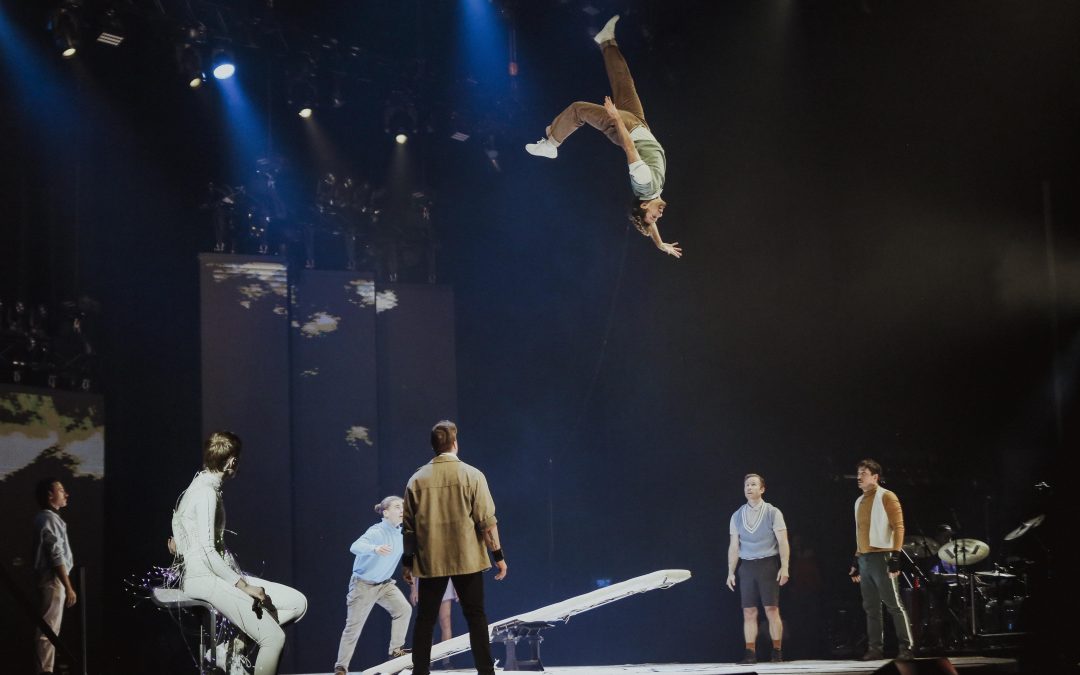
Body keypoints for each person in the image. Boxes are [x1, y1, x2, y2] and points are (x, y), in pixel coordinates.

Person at [525, 15, 682, 259]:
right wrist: (660, 244)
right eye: (656, 218)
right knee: (624, 82)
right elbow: (649, 223)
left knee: (578, 109)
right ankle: (606, 41)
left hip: (626, 128)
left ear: (643, 205)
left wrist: (615, 118)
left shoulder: (644, 184)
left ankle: (551, 144)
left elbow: (630, 148)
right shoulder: (653, 192)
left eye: (653, 215)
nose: (658, 216)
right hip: (639, 123)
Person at [170, 431, 308, 675]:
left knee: (298, 603)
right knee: (273, 639)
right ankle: (230, 652)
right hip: (205, 578)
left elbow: (183, 530)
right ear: (232, 461)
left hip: (215, 573)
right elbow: (207, 552)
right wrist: (244, 586)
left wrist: (179, 547)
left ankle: (231, 650)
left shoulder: (199, 485)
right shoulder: (206, 492)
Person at [402, 420, 508, 675]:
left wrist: (407, 563)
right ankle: (485, 671)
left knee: (425, 619)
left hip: (431, 560)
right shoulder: (473, 475)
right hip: (467, 559)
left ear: (433, 446)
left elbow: (409, 529)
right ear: (455, 444)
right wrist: (498, 557)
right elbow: (487, 523)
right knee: (476, 616)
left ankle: (420, 672)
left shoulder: (416, 479)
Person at [333, 496, 413, 675]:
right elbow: (355, 546)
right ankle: (341, 667)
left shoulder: (402, 533)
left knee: (403, 609)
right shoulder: (377, 531)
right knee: (354, 627)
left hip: (385, 585)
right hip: (363, 585)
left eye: (403, 506)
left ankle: (396, 651)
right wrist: (374, 549)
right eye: (397, 507)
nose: (402, 510)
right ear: (386, 513)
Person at [848, 459, 914, 661]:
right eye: (858, 473)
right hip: (865, 558)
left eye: (864, 473)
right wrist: (856, 559)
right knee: (871, 607)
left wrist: (895, 555)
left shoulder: (887, 496)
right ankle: (875, 648)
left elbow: (898, 527)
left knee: (893, 604)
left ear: (875, 477)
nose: (859, 476)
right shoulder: (859, 501)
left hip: (882, 556)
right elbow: (861, 533)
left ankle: (907, 647)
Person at [726, 473, 790, 664]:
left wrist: (785, 567)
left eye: (753, 484)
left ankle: (777, 651)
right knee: (749, 611)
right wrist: (730, 571)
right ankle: (750, 652)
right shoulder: (737, 515)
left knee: (771, 609)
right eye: (747, 485)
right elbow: (734, 546)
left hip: (768, 564)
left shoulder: (773, 512)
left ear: (762, 489)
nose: (749, 487)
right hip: (747, 566)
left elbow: (783, 541)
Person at [33, 478, 76, 675]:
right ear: (50, 495)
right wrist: (68, 586)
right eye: (61, 490)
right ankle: (45, 670)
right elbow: (55, 553)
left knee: (51, 628)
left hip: (53, 580)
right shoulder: (48, 519)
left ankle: (46, 669)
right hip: (52, 580)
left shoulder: (49, 519)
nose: (66, 494)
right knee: (48, 629)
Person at [410, 579, 458, 668]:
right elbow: (408, 572)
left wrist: (456, 586)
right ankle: (427, 661)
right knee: (427, 623)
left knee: (446, 621)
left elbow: (453, 569)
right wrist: (413, 589)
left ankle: (446, 660)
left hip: (444, 579)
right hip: (426, 581)